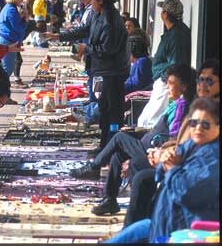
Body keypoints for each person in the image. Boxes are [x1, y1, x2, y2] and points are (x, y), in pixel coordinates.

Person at [70, 64, 195, 217]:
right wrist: (136, 131)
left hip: (152, 151)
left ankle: (94, 166)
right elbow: (158, 129)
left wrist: (157, 147)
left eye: (171, 84)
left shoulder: (182, 106)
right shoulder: (174, 105)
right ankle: (110, 200)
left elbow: (174, 136)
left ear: (183, 86)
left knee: (119, 138)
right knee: (117, 156)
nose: (167, 87)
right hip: (145, 144)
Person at [103, 97, 219, 243]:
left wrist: (171, 168)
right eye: (193, 123)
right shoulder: (193, 145)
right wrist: (161, 158)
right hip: (164, 222)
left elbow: (185, 193)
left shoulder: (213, 158)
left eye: (205, 124)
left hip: (184, 229)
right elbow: (164, 169)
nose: (198, 128)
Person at [122, 58, 220, 227]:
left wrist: (170, 164)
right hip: (178, 164)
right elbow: (184, 144)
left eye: (209, 81)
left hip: (191, 179)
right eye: (200, 80)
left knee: (143, 179)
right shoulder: (199, 105)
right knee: (136, 165)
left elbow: (195, 171)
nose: (203, 85)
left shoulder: (212, 112)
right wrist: (164, 155)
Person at [44, 0, 129, 149]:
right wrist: (58, 36)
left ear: (101, 0)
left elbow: (108, 49)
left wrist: (86, 48)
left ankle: (112, 144)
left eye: (93, 0)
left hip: (112, 72)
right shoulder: (99, 14)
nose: (90, 3)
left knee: (112, 112)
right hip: (102, 70)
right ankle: (105, 143)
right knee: (104, 109)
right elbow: (84, 31)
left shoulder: (111, 20)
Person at [137, 0, 191, 128]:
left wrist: (165, 79)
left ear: (165, 14)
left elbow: (175, 64)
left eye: (162, 11)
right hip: (164, 81)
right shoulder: (177, 31)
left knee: (150, 122)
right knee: (145, 119)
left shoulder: (176, 35)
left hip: (166, 83)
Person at [0, 0, 28, 77]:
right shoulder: (11, 10)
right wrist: (25, 20)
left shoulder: (10, 8)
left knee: (8, 66)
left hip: (7, 38)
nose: (22, 1)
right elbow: (17, 28)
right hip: (7, 40)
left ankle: (0, 86)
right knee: (8, 67)